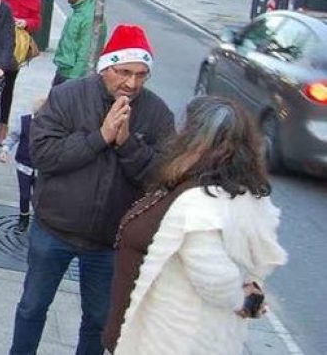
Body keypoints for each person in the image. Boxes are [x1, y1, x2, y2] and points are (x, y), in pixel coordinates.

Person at [9, 24, 176, 355]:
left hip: (110, 240)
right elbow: (43, 154)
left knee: (99, 319)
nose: (132, 83)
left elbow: (162, 177)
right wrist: (99, 137)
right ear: (105, 67)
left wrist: (127, 144)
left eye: (141, 75)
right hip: (54, 229)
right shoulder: (68, 96)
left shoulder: (157, 114)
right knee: (32, 306)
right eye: (124, 72)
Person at [103, 96, 287, 354]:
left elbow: (216, 278)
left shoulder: (201, 202)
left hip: (172, 338)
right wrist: (250, 291)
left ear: (198, 139)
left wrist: (240, 299)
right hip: (197, 336)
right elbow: (258, 260)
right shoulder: (241, 194)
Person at [0, 0, 42, 144]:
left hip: (16, 47)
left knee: (8, 85)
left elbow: (37, 21)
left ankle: (3, 125)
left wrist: (25, 22)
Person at [0, 97, 44, 233]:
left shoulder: (51, 126)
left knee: (39, 196)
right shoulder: (24, 122)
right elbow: (13, 137)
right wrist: (5, 149)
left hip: (41, 168)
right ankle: (23, 219)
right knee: (24, 195)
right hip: (24, 165)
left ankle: (39, 221)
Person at [52, 0, 102, 86]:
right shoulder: (79, 10)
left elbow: (86, 53)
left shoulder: (89, 16)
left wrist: (71, 84)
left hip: (72, 77)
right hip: (64, 72)